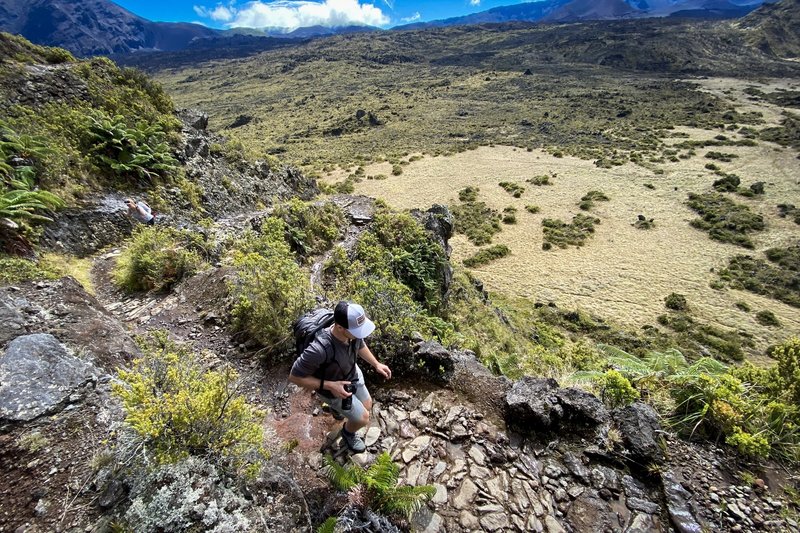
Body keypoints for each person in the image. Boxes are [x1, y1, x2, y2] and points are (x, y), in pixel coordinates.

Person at [289, 301, 392, 453]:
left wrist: (376, 364)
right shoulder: (319, 349)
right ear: (339, 327)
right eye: (357, 331)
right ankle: (348, 433)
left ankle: (336, 411)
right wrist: (330, 385)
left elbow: (360, 343)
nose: (360, 334)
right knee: (363, 418)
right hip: (333, 389)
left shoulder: (351, 333)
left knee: (367, 404)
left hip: (351, 372)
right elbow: (294, 377)